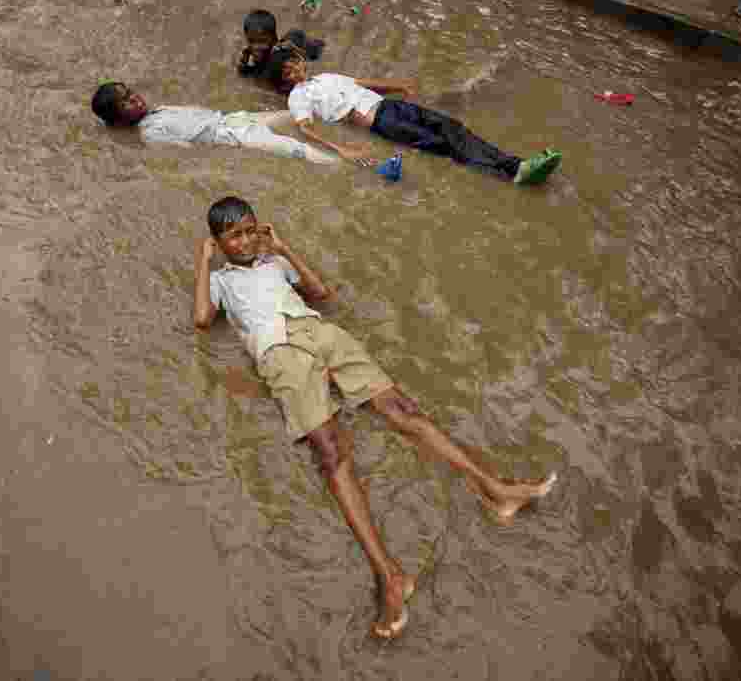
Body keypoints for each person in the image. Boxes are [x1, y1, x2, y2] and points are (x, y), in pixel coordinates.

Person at [193, 196, 559, 640]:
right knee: (331, 455)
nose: (247, 240)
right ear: (220, 242)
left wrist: (285, 249)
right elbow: (201, 320)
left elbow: (321, 293)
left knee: (403, 410)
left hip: (322, 334)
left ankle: (496, 490)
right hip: (280, 353)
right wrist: (204, 260)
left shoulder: (274, 264)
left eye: (251, 229)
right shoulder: (221, 282)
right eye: (235, 235)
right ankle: (389, 575)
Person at [265, 47, 563, 184]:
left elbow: (360, 83)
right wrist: (342, 148)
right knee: (442, 145)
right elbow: (305, 129)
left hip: (391, 106)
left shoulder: (327, 76)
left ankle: (517, 165)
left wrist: (398, 86)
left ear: (301, 59)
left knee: (452, 127)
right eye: (287, 72)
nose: (295, 71)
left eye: (294, 63)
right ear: (285, 79)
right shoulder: (297, 97)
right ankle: (513, 173)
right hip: (382, 122)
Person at [90, 80, 337, 164]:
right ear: (119, 121)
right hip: (232, 137)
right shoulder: (150, 134)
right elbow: (187, 152)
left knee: (295, 114)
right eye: (125, 103)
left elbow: (200, 113)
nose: (134, 99)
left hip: (233, 119)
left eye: (131, 92)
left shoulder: (158, 110)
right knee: (297, 149)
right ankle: (338, 162)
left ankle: (339, 109)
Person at [237, 9, 325, 79]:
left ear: (274, 39)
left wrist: (297, 52)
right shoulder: (261, 63)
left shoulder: (279, 59)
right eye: (251, 41)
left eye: (262, 41)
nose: (255, 47)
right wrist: (243, 64)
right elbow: (252, 73)